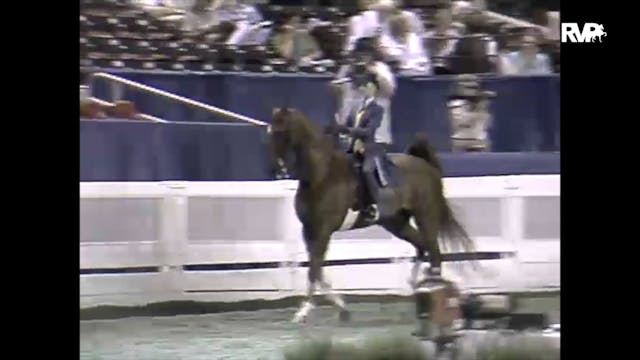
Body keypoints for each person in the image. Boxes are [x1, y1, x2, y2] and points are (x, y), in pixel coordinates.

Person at [331, 73, 396, 221]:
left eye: (366, 86)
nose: (362, 89)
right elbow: (350, 125)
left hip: (371, 147)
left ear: (373, 88)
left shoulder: (378, 109)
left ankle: (373, 205)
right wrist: (340, 128)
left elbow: (369, 131)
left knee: (367, 170)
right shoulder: (358, 107)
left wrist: (348, 131)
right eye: (362, 86)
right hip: (354, 146)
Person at [332, 37, 395, 150]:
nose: (362, 57)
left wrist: (372, 73)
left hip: (375, 133)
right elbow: (335, 89)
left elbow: (389, 90)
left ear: (372, 55)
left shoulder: (381, 68)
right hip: (349, 131)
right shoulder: (347, 69)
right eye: (359, 53)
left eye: (366, 54)